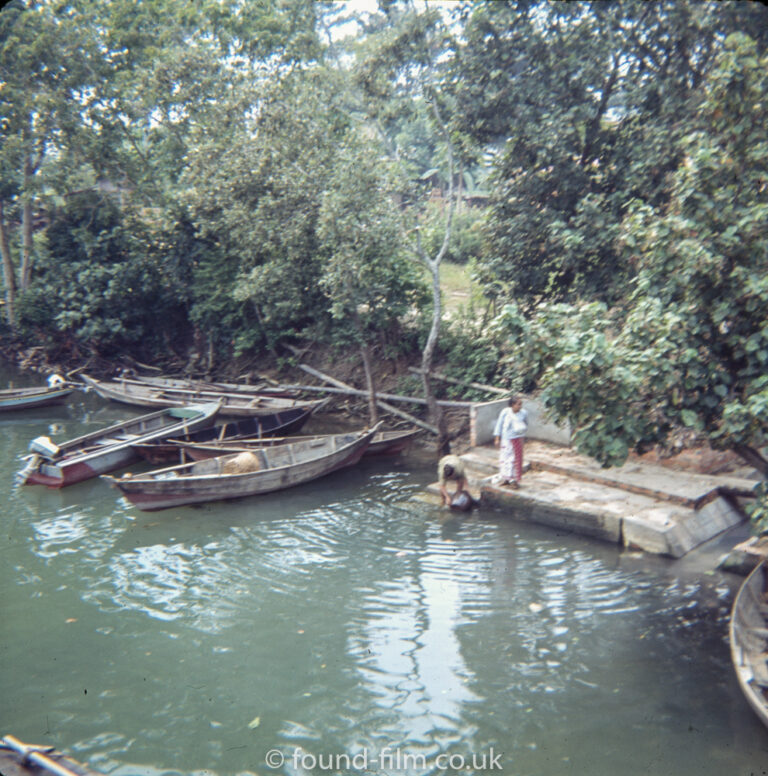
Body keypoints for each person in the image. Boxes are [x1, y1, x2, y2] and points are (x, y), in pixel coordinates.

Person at [493, 395, 528, 488]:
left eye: (521, 404)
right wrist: (497, 438)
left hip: (517, 439)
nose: (520, 406)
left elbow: (525, 425)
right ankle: (506, 479)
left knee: (515, 460)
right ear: (512, 405)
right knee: (505, 459)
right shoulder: (505, 412)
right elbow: (499, 425)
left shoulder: (523, 413)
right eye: (518, 404)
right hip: (506, 439)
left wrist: (522, 436)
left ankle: (514, 481)